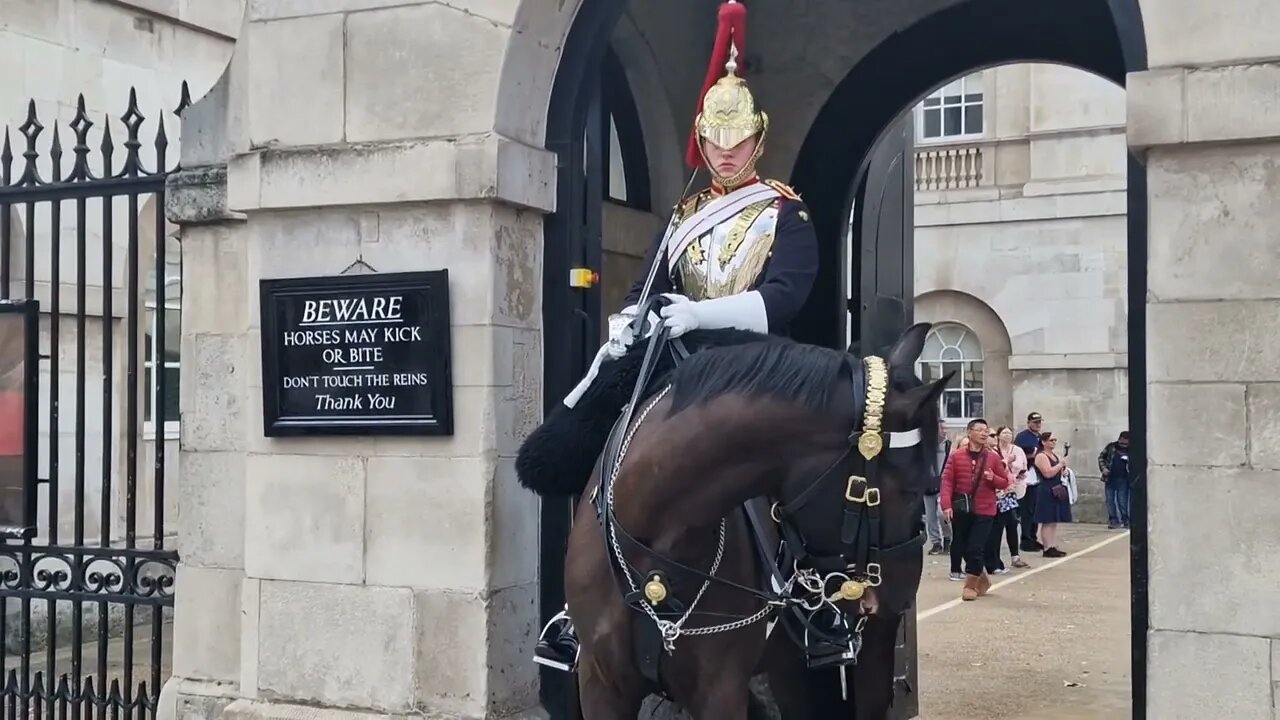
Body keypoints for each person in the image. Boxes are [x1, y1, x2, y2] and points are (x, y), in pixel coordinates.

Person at [535, 0, 820, 672]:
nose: (725, 153)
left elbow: (785, 298)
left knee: (801, 460)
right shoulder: (684, 213)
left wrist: (703, 315)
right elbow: (649, 284)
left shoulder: (785, 210)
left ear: (759, 138)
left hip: (750, 361)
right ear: (703, 136)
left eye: (738, 142)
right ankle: (578, 605)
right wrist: (629, 319)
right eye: (715, 142)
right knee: (607, 438)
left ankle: (807, 593)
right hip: (675, 358)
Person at [940, 419, 1010, 601]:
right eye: (979, 430)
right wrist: (946, 505)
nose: (984, 433)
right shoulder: (956, 456)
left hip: (985, 509)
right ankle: (982, 577)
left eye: (986, 430)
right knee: (962, 546)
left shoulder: (993, 457)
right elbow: (947, 481)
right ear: (969, 432)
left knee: (976, 547)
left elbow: (1004, 482)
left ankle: (970, 585)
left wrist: (993, 477)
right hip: (962, 508)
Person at [986, 426, 1029, 573]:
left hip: (1009, 492)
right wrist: (1007, 461)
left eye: (1009, 433)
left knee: (1011, 523)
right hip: (997, 495)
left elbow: (1022, 468)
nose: (993, 438)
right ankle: (994, 562)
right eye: (992, 435)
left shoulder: (1012, 450)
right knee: (995, 530)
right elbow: (996, 469)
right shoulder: (989, 453)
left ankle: (1012, 557)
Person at [1032, 431, 1072, 557]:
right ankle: (1047, 547)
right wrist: (1060, 465)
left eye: (1055, 440)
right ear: (1043, 442)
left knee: (1053, 520)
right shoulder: (1041, 456)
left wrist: (1063, 470)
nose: (1053, 442)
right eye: (1051, 440)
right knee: (1047, 520)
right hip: (1046, 489)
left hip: (1055, 488)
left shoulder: (1054, 455)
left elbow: (1057, 471)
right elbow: (1047, 473)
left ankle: (1052, 544)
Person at [1014, 412, 1044, 552]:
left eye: (1039, 422)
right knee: (1027, 510)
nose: (1037, 425)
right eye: (1035, 422)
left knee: (1036, 510)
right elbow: (1018, 455)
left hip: (1037, 474)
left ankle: (1033, 537)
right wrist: (1032, 455)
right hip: (1027, 475)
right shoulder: (1022, 437)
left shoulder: (1039, 437)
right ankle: (1026, 540)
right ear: (1029, 423)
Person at [925, 420, 952, 555]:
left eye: (945, 428)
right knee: (930, 516)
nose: (944, 431)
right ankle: (936, 542)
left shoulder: (948, 445)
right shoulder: (925, 445)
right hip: (928, 484)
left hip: (944, 484)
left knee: (942, 514)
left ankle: (948, 538)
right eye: (942, 428)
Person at [1097, 431, 1131, 529]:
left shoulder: (1131, 450)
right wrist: (1104, 469)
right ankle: (1113, 520)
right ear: (1119, 439)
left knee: (1122, 501)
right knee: (1110, 500)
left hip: (1124, 479)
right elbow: (1101, 457)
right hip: (1110, 477)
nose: (1123, 445)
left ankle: (1126, 520)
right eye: (1122, 442)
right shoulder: (1111, 447)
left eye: (1125, 443)